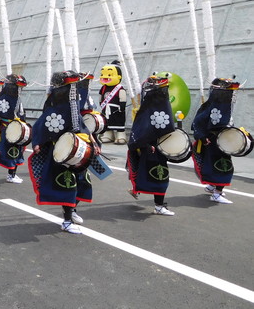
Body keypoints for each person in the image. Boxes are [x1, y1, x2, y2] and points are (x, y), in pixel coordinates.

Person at [28, 71, 102, 234]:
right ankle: (67, 221)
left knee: (83, 183)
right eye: (71, 87)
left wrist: (93, 141)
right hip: (63, 151)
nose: (73, 90)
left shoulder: (73, 105)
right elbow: (42, 124)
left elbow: (81, 124)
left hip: (79, 147)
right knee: (68, 184)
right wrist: (38, 142)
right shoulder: (55, 106)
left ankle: (72, 210)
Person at [126, 74, 182, 216]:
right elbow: (139, 131)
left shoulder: (163, 106)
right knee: (152, 176)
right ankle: (157, 204)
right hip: (149, 149)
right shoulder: (146, 109)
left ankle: (159, 205)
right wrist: (145, 145)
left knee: (161, 177)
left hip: (160, 149)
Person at [191, 77, 247, 204]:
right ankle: (217, 193)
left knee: (215, 165)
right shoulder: (211, 105)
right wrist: (203, 137)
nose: (232, 95)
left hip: (222, 140)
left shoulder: (224, 106)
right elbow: (197, 123)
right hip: (213, 141)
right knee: (223, 166)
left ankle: (212, 186)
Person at [0, 74, 29, 183]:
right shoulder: (4, 97)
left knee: (16, 151)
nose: (20, 90)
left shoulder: (16, 98)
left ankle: (12, 174)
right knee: (13, 152)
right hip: (8, 128)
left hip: (16, 128)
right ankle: (11, 175)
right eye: (18, 87)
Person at [98, 60, 128, 144]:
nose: (105, 77)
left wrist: (122, 105)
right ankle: (108, 135)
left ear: (118, 76)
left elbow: (122, 97)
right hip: (106, 109)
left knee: (118, 122)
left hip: (116, 109)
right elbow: (101, 96)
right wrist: (101, 103)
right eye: (102, 75)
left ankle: (121, 135)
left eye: (109, 75)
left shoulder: (119, 88)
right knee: (107, 122)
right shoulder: (103, 88)